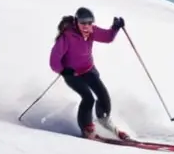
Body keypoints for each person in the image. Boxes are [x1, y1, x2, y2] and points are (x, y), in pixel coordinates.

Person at [49, 7, 126, 140]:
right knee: (88, 98)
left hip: (88, 70)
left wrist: (115, 27)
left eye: (89, 22)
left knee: (103, 95)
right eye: (83, 23)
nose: (86, 26)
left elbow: (107, 37)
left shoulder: (92, 31)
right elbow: (54, 60)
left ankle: (104, 122)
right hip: (72, 74)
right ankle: (87, 129)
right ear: (76, 22)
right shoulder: (67, 36)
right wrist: (63, 70)